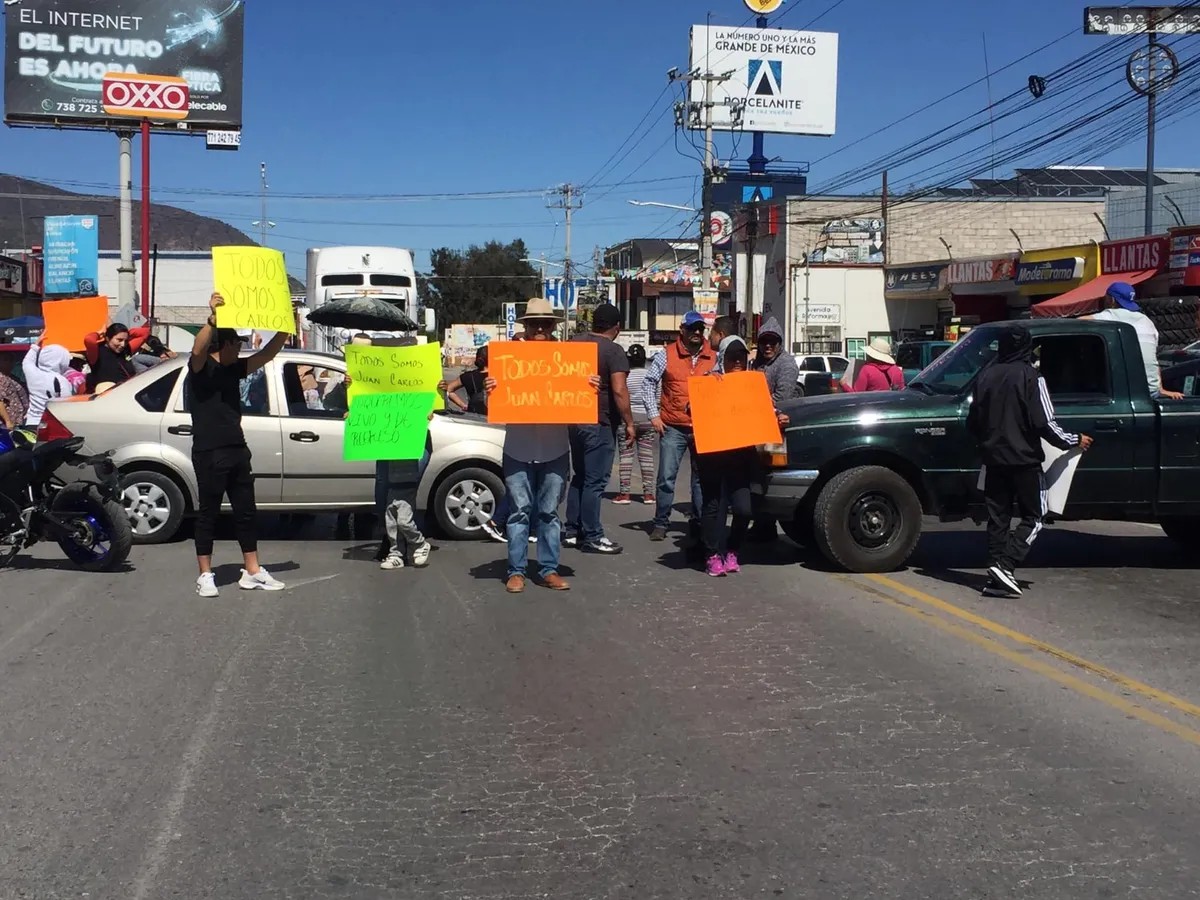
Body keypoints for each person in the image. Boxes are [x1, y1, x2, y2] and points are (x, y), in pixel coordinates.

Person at [967, 325, 1093, 598]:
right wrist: (1073, 440)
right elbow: (1045, 422)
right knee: (1035, 516)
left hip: (993, 461)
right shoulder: (1031, 377)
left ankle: (995, 574)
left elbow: (973, 421)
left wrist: (988, 445)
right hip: (1024, 460)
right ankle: (1007, 564)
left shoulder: (985, 376)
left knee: (997, 519)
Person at [485, 298, 600, 593]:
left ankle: (549, 569)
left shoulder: (568, 361)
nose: (539, 328)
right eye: (533, 323)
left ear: (553, 327)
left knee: (549, 513)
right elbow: (495, 407)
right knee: (519, 512)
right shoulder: (508, 360)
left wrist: (589, 387)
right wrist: (492, 391)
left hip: (555, 449)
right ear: (524, 326)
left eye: (545, 324)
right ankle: (516, 571)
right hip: (518, 448)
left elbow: (579, 402)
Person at [188, 292, 289, 597]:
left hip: (236, 448)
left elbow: (266, 356)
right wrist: (212, 320)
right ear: (228, 344)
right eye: (239, 344)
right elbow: (196, 349)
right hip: (208, 450)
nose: (242, 350)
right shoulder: (201, 370)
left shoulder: (234, 369)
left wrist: (283, 328)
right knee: (208, 513)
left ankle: (253, 571)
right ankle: (205, 575)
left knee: (246, 511)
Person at [696, 324, 792, 576]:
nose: (737, 362)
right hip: (713, 458)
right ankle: (712, 555)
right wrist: (709, 386)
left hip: (741, 458)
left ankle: (733, 550)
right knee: (713, 506)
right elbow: (692, 408)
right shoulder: (709, 380)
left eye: (740, 358)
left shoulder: (753, 386)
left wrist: (779, 419)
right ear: (723, 359)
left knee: (743, 509)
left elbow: (768, 412)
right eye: (732, 358)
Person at [564, 303, 635, 554]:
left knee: (579, 477)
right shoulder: (613, 351)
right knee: (595, 482)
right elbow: (618, 389)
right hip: (600, 422)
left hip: (573, 420)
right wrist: (629, 422)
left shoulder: (573, 344)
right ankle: (593, 534)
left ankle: (572, 530)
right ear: (617, 327)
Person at [642, 311, 716, 543]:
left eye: (700, 329)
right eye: (692, 328)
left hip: (703, 428)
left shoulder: (714, 356)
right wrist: (654, 415)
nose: (696, 332)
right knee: (666, 477)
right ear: (681, 330)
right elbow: (649, 383)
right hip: (672, 428)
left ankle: (698, 522)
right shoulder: (666, 355)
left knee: (700, 480)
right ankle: (661, 523)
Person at [1085, 281, 1185, 401]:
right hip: (1151, 392)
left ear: (1111, 300)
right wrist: (1160, 389)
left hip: (1120, 394)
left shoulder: (1109, 315)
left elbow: (1077, 323)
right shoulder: (1147, 321)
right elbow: (1152, 360)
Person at [748, 317, 798, 541]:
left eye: (773, 341)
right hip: (757, 427)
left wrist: (759, 401)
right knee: (756, 478)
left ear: (780, 343)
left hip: (778, 429)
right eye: (764, 341)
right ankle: (761, 525)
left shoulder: (786, 364)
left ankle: (767, 527)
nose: (768, 345)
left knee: (770, 479)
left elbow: (783, 398)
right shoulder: (756, 362)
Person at [615, 345, 656, 505]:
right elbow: (656, 397)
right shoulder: (650, 376)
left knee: (626, 457)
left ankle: (625, 494)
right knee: (646, 457)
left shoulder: (624, 376)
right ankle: (648, 494)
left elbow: (620, 397)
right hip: (647, 419)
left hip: (627, 420)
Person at [21, 343, 73, 429]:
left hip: (30, 422)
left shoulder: (33, 374)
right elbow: (66, 406)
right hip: (49, 425)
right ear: (60, 361)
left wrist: (36, 344)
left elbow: (27, 361)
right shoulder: (62, 381)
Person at [84, 323, 144, 392]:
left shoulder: (126, 349)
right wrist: (99, 334)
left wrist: (124, 333)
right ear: (107, 338)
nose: (123, 344)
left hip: (129, 392)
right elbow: (88, 340)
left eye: (126, 341)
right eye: (119, 340)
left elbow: (145, 332)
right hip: (107, 395)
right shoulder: (97, 351)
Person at [443, 344, 490, 415]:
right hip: (498, 418)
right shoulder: (501, 376)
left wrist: (463, 405)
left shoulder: (468, 376)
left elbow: (448, 390)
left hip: (474, 416)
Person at [0, 351, 29, 434]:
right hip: (7, 424)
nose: (10, 363)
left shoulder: (11, 377)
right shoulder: (1, 378)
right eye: (5, 360)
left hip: (18, 420)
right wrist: (8, 421)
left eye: (11, 360)